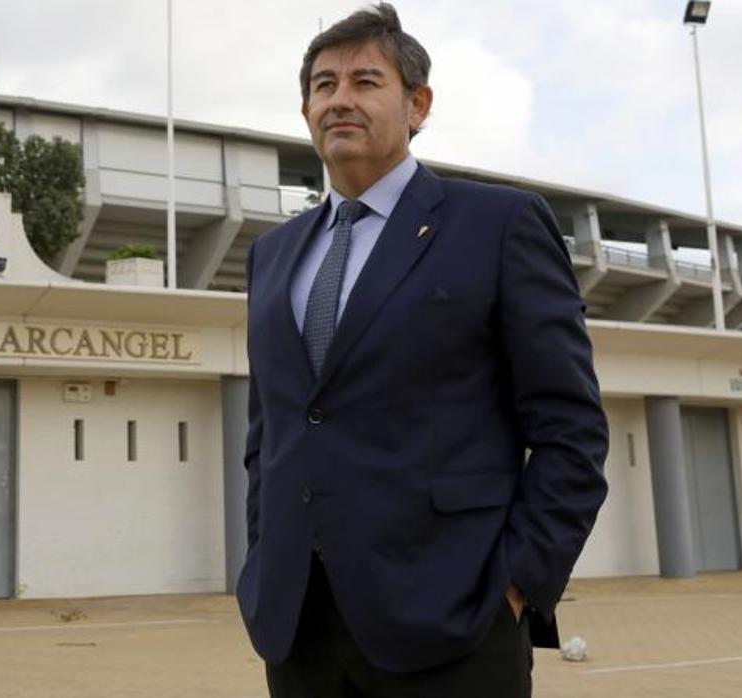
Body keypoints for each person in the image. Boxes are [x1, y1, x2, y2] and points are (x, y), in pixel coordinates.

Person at [235, 4, 609, 696]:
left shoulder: (497, 226)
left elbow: (571, 431)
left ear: (418, 105)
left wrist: (518, 585)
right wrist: (261, 562)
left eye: (366, 81)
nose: (340, 98)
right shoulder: (272, 255)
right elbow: (272, 434)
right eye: (323, 85)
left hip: (454, 624)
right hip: (298, 631)